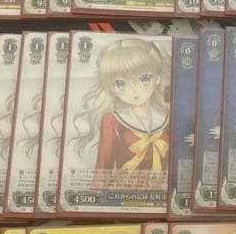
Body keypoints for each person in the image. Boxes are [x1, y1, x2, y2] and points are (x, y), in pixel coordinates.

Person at [71, 38, 172, 174]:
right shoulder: (112, 120)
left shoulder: (167, 120)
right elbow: (103, 167)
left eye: (145, 79)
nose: (134, 90)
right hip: (122, 186)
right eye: (121, 84)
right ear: (112, 87)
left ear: (158, 79)